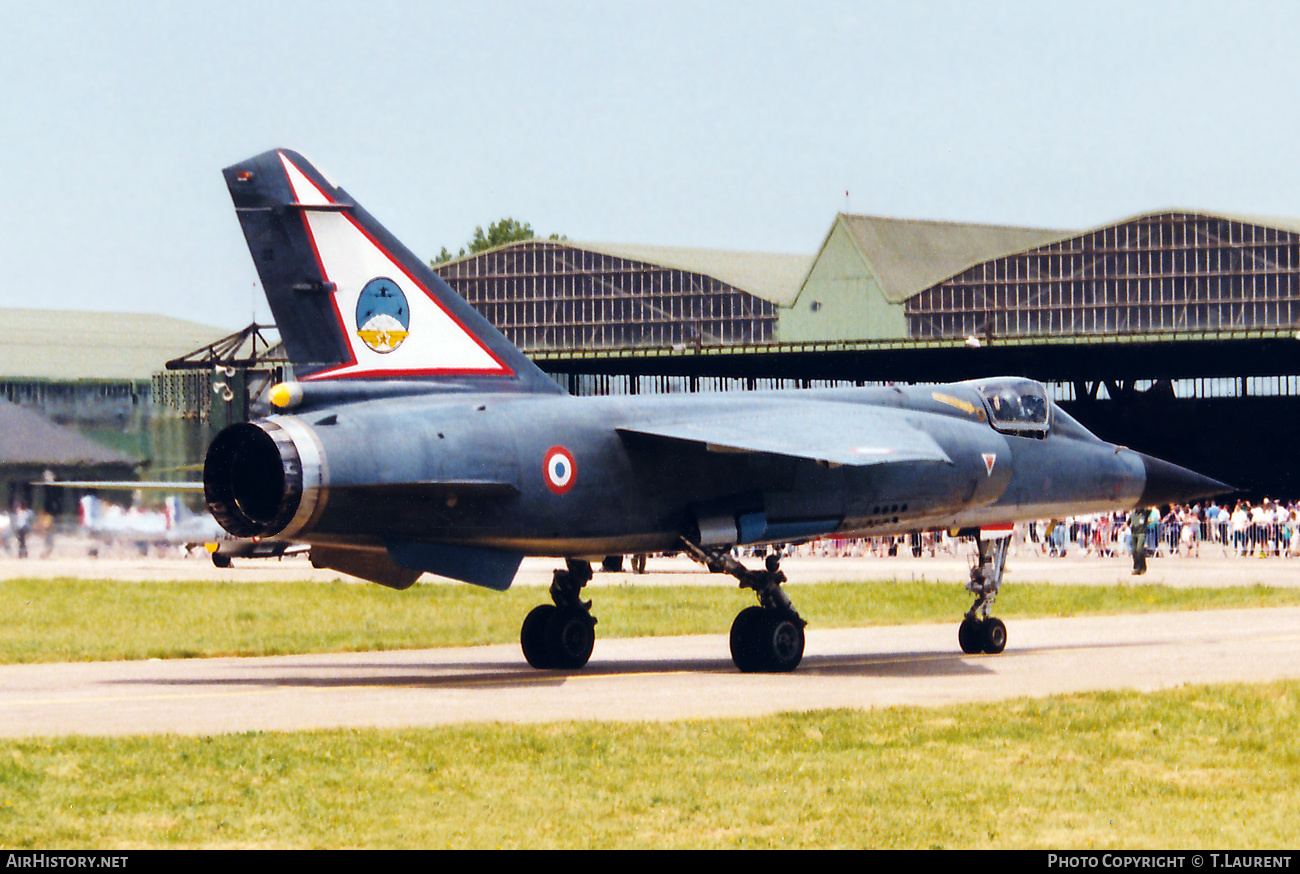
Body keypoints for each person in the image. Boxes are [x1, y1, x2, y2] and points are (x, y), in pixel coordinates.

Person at [1130, 507, 1149, 575]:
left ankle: (1143, 567)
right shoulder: (1133, 514)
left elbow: (1150, 508)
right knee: (1134, 550)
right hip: (1134, 533)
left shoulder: (1145, 512)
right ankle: (1136, 568)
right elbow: (1128, 522)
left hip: (1142, 533)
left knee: (1139, 549)